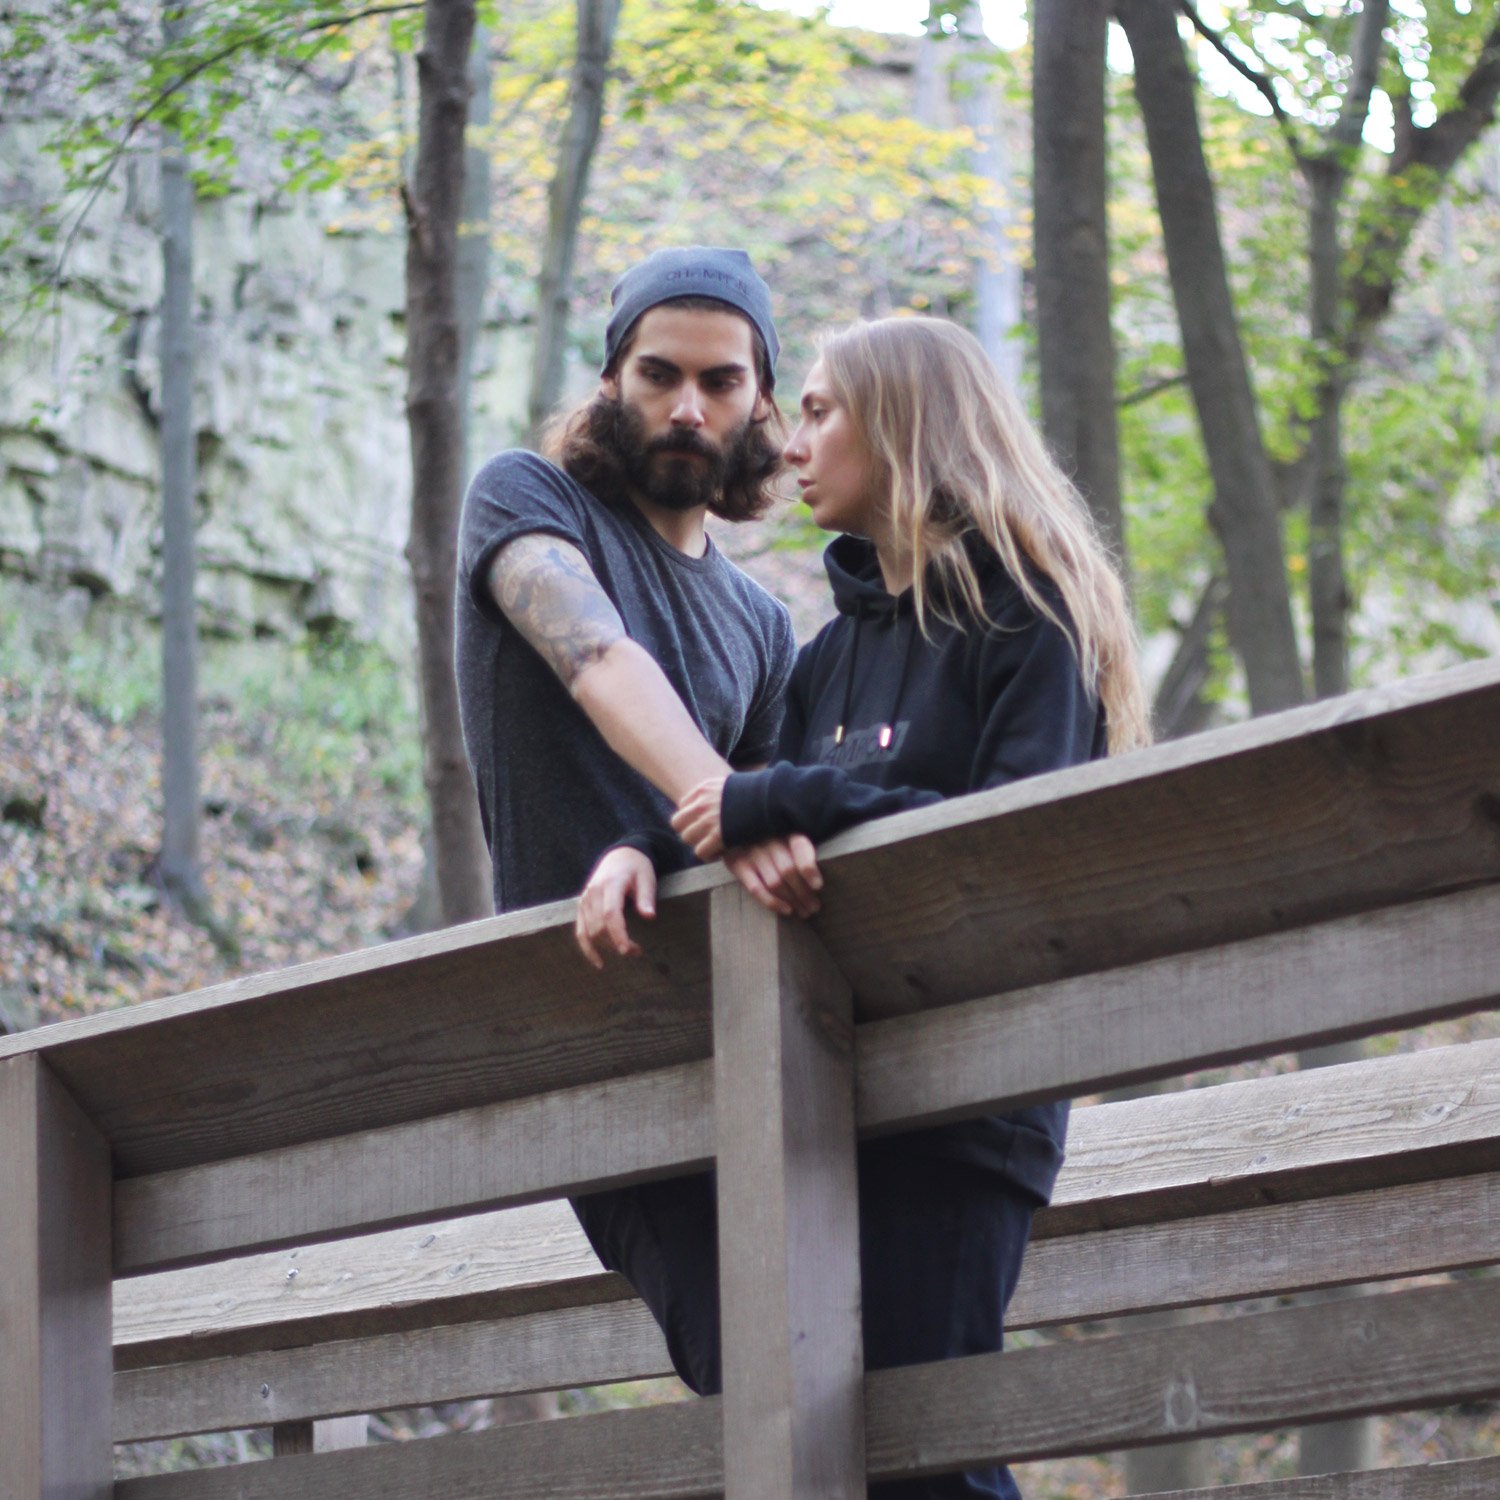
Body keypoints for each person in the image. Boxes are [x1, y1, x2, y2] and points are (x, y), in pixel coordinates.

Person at [584, 315, 1152, 1498]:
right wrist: (639, 853)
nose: (793, 443)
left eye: (827, 409)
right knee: (836, 1455)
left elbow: (1011, 837)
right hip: (828, 1096)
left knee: (923, 1462)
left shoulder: (1024, 612)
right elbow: (742, 812)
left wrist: (788, 802)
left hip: (966, 1106)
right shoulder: (828, 657)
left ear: (908, 425)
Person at [454, 246, 822, 1402]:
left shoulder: (763, 629)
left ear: (761, 402)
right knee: (756, 1365)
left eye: (721, 382)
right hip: (600, 1035)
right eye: (658, 372)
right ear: (612, 377)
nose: (687, 405)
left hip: (753, 1039)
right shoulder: (527, 497)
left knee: (857, 1357)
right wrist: (739, 803)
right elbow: (600, 659)